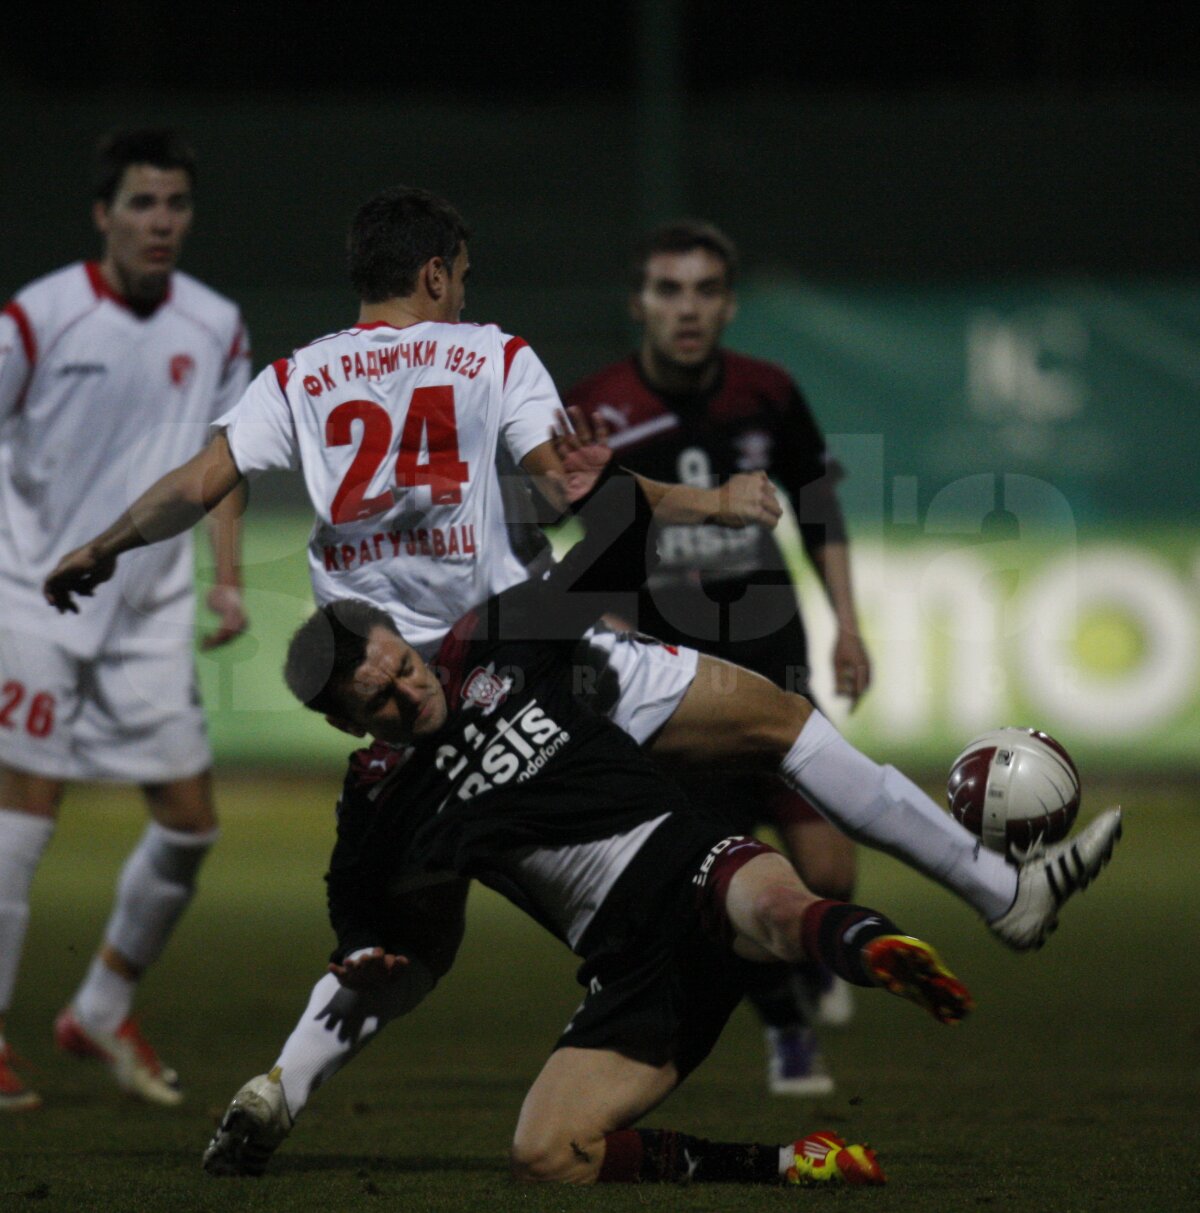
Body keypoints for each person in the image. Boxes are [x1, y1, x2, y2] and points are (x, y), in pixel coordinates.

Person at [43, 183, 1122, 1155]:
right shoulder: (488, 354)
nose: (466, 290)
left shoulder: (297, 376)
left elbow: (196, 481)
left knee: (408, 932)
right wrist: (707, 502)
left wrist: (101, 544)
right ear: (434, 273)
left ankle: (281, 1086)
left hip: (399, 701)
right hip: (533, 650)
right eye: (460, 274)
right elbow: (568, 487)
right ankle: (998, 892)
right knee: (781, 723)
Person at [206, 463, 976, 1187]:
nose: (410, 693)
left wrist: (594, 487)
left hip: (690, 858)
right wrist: (364, 952)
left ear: (407, 642)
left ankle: (870, 944)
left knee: (773, 906)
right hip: (630, 966)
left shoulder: (498, 635)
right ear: (348, 723)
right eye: (381, 701)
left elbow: (622, 541)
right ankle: (789, 1162)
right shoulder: (382, 799)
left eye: (404, 666)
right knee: (547, 1154)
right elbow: (357, 905)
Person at [567, 219, 867, 1093]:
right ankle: (786, 1028)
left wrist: (849, 623)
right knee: (724, 869)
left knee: (828, 869)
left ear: (729, 304)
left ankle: (796, 972)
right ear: (639, 303)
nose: (686, 308)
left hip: (775, 658)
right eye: (668, 290)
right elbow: (563, 531)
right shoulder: (598, 406)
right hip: (672, 683)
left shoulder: (770, 392)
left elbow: (820, 512)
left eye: (704, 290)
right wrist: (599, 619)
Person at [0, 128, 250, 1111]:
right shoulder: (35, 319)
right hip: (33, 591)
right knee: (26, 811)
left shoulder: (217, 324)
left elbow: (226, 460)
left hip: (149, 605)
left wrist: (228, 582)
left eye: (177, 204)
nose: (161, 223)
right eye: (143, 204)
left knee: (190, 825)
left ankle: (100, 1005)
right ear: (103, 214)